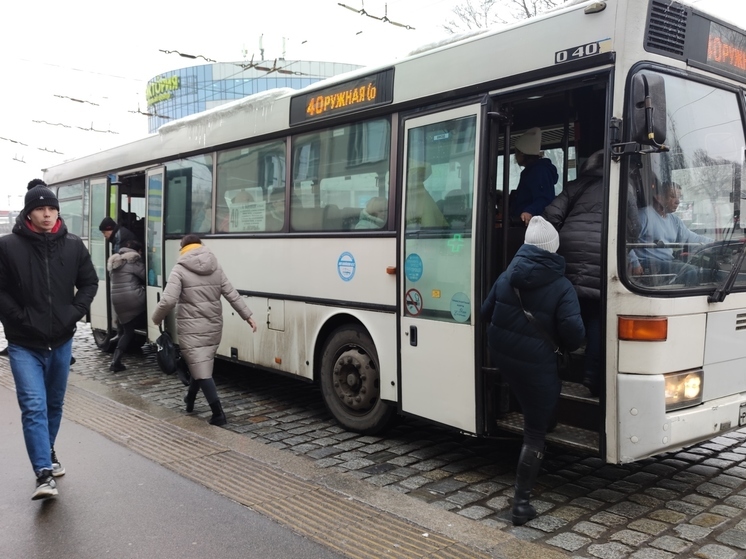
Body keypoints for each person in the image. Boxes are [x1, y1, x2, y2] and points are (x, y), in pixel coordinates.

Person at [480, 216, 584, 526]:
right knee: (535, 431)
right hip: (536, 361)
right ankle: (521, 504)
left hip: (503, 355)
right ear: (553, 248)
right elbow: (575, 335)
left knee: (534, 395)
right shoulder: (562, 286)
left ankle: (542, 413)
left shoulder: (506, 275)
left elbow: (486, 313)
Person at [0, 184, 98, 500]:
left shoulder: (73, 245)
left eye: (52, 209)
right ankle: (43, 473)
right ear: (29, 212)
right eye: (41, 209)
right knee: (33, 405)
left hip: (62, 340)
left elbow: (89, 282)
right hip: (23, 342)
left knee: (54, 404)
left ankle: (48, 449)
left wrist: (75, 312)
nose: (47, 213)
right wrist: (21, 317)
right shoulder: (7, 246)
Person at [151, 234, 258, 426]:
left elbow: (168, 300)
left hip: (191, 328)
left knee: (201, 368)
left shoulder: (180, 269)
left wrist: (156, 318)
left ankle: (218, 413)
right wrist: (247, 316)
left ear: (182, 248)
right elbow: (230, 293)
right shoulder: (214, 265)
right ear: (200, 246)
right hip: (213, 326)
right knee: (201, 363)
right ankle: (190, 399)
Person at [543, 150, 604, 396]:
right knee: (597, 319)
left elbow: (550, 215)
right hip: (602, 254)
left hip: (568, 251)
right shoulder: (624, 187)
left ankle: (558, 366)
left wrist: (564, 236)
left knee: (567, 311)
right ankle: (590, 377)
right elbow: (632, 226)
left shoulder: (574, 186)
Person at [629, 180, 713, 286]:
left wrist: (716, 244)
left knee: (706, 272)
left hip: (667, 262)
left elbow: (691, 238)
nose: (677, 201)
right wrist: (634, 263)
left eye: (679, 197)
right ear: (658, 197)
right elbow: (625, 241)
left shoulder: (674, 220)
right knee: (689, 271)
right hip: (647, 264)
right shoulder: (643, 216)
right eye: (672, 196)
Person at [107, 240, 146, 372]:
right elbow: (145, 276)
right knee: (152, 307)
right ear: (138, 251)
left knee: (127, 331)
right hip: (133, 299)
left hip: (117, 301)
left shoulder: (115, 262)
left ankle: (115, 361)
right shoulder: (133, 261)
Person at [509, 128, 558, 225]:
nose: (515, 156)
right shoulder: (530, 172)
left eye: (516, 152)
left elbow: (544, 198)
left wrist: (529, 211)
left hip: (533, 224)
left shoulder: (539, 171)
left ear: (522, 153)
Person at [405, 162, 448, 228]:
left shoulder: (424, 198)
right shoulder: (404, 195)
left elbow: (429, 226)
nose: (417, 181)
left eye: (420, 178)